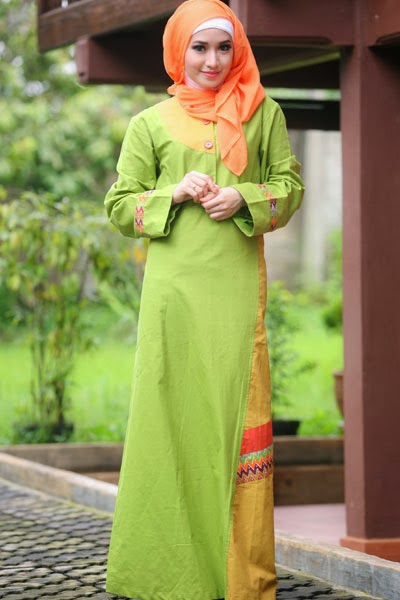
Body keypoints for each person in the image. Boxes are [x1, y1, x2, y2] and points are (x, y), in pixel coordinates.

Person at [105, 1, 305, 598]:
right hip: (173, 299)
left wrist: (245, 197)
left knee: (234, 420)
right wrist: (173, 192)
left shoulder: (263, 112)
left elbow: (290, 187)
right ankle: (167, 577)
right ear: (178, 51)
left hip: (236, 298)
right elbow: (120, 207)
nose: (212, 61)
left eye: (223, 47)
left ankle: (241, 581)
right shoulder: (149, 123)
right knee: (170, 419)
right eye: (199, 47)